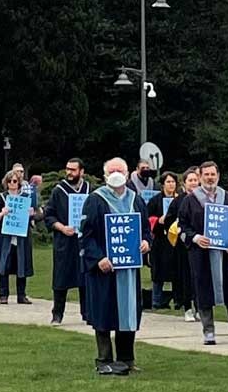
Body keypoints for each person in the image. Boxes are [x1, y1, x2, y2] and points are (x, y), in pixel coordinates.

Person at [179, 161, 228, 346]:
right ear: (200, 177)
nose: (209, 178)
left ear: (218, 176)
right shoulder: (190, 200)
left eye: (212, 174)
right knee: (203, 289)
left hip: (223, 253)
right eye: (206, 174)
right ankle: (208, 331)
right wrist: (195, 238)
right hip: (201, 254)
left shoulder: (226, 197)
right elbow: (182, 226)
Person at [80, 156, 147, 375]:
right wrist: (98, 258)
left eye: (120, 170)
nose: (117, 174)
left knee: (128, 313)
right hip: (104, 268)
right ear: (105, 175)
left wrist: (147, 242)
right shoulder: (95, 200)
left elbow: (145, 230)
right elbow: (86, 235)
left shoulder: (136, 200)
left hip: (128, 269)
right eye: (112, 171)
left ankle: (127, 358)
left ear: (128, 175)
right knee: (104, 312)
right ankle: (104, 359)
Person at [46, 158, 91, 324]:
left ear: (81, 171)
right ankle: (57, 314)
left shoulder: (89, 190)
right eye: (67, 169)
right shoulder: (59, 191)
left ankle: (87, 313)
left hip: (84, 240)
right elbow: (49, 215)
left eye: (73, 170)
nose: (69, 173)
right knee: (61, 278)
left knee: (86, 278)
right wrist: (62, 227)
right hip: (64, 241)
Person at [144, 170, 187, 314]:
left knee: (177, 271)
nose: (171, 185)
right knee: (157, 271)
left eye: (173, 182)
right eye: (168, 182)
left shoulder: (180, 199)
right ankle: (156, 301)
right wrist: (158, 220)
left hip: (174, 240)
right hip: (159, 241)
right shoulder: (155, 200)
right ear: (162, 185)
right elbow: (147, 219)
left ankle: (178, 300)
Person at [0, 173, 39, 305]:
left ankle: (21, 295)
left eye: (15, 181)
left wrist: (32, 214)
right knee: (4, 266)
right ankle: (3, 294)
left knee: (21, 265)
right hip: (6, 237)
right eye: (9, 181)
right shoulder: (2, 198)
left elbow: (35, 217)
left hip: (21, 238)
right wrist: (2, 213)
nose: (12, 184)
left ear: (19, 183)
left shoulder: (25, 198)